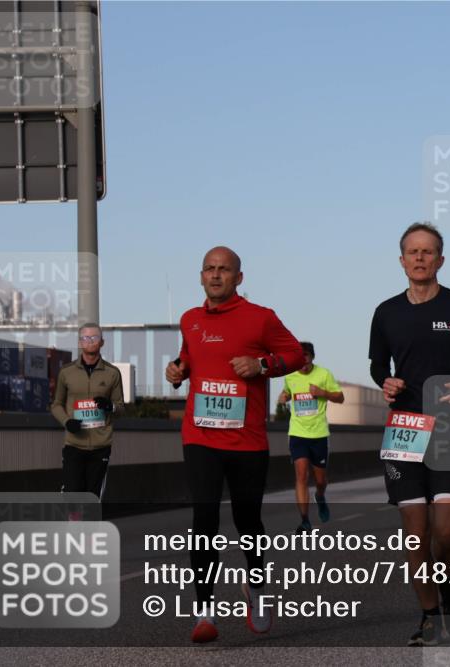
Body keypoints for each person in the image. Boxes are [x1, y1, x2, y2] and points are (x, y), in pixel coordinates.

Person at [369, 222, 450, 646]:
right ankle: (429, 615)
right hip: (405, 429)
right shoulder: (386, 312)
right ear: (402, 260)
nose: (421, 258)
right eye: (413, 252)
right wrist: (384, 382)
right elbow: (378, 364)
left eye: (429, 252)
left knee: (447, 531)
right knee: (414, 531)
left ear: (440, 260)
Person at [165, 246, 304, 643]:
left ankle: (256, 591)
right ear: (201, 275)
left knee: (248, 523)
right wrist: (177, 371)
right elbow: (188, 360)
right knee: (204, 519)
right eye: (209, 268)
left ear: (239, 278)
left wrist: (262, 365)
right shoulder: (190, 320)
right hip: (200, 435)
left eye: (224, 270)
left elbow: (294, 354)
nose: (215, 275)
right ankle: (204, 614)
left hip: (247, 439)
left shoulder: (261, 318)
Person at [50, 323, 124, 501]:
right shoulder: (66, 372)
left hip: (101, 446)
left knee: (92, 498)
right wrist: (67, 421)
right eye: (86, 338)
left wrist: (110, 406)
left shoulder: (112, 373)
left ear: (102, 342)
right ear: (79, 342)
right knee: (73, 493)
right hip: (74, 444)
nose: (90, 342)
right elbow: (56, 405)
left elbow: (121, 408)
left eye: (94, 338)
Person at [280, 341, 344, 533]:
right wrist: (283, 397)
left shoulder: (324, 374)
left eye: (306, 356)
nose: (303, 361)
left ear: (312, 357)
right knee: (301, 475)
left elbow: (340, 398)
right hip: (298, 433)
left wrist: (322, 393)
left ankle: (321, 496)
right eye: (299, 357)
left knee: (320, 481)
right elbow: (287, 392)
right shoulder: (290, 376)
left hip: (319, 434)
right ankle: (305, 520)